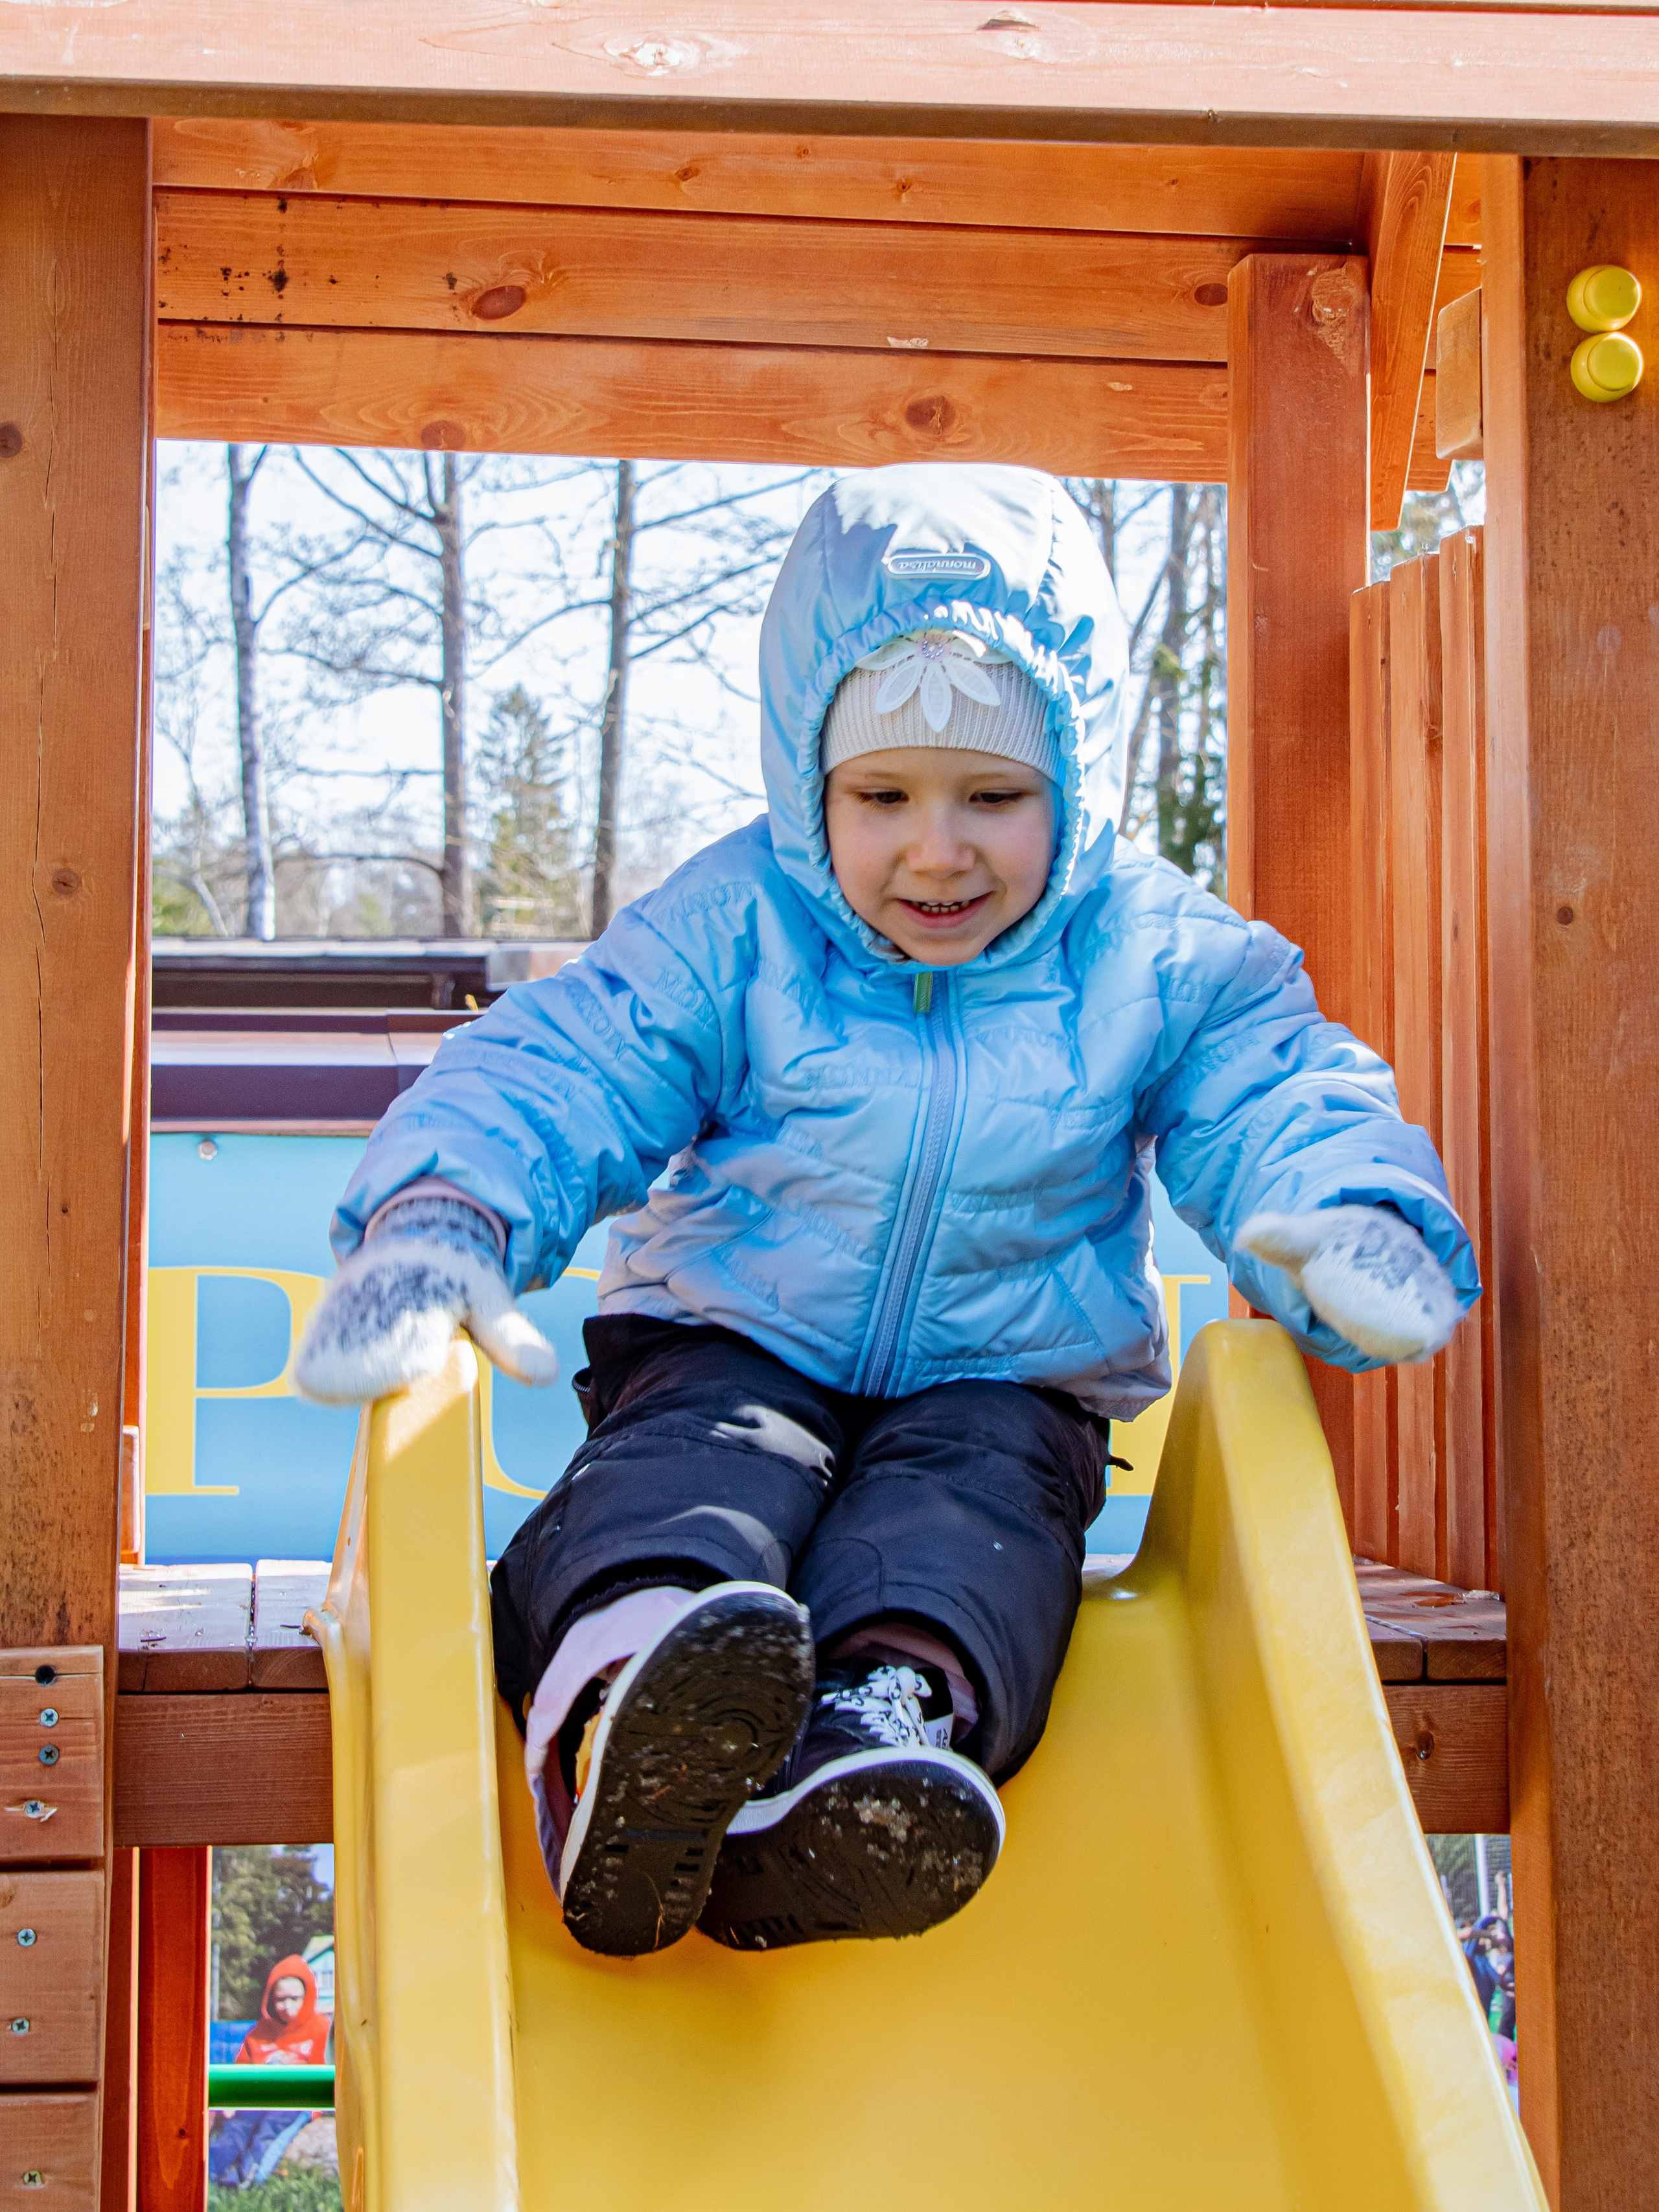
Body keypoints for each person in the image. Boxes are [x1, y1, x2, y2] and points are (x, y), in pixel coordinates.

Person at [297, 465, 1474, 1962]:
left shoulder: (1158, 952)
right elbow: (571, 1060)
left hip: (1004, 1376)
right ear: (809, 784)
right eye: (881, 796)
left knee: (970, 1531)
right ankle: (629, 1712)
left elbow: (1273, 1089)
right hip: (732, 1335)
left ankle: (872, 1748)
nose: (937, 849)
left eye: (993, 795)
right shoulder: (737, 924)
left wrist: (1344, 1210)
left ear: (1073, 781)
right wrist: (445, 1211)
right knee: (687, 1484)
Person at [208, 1955, 332, 2189]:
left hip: (296, 2102)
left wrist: (316, 2108)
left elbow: (324, 2072)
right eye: (280, 1999)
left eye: (295, 1999)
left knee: (269, 2132)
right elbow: (242, 2070)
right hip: (258, 2099)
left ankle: (250, 2183)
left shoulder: (321, 2029)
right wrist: (232, 2101)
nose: (288, 2006)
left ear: (308, 1996)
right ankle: (213, 2178)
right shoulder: (259, 2033)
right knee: (236, 2128)